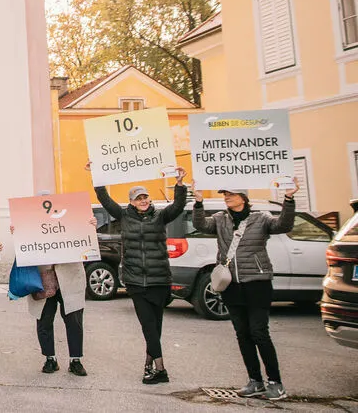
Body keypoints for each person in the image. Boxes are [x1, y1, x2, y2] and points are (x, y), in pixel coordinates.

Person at [194, 180, 298, 401]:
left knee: (259, 332)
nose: (227, 197)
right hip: (231, 285)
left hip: (257, 283)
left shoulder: (260, 219)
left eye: (231, 193)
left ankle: (275, 383)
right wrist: (199, 202)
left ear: (243, 196)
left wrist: (288, 199)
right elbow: (201, 225)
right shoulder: (220, 220)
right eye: (225, 194)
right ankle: (255, 381)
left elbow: (283, 225)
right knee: (242, 333)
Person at [93, 166, 188, 383]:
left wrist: (180, 184)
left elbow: (178, 206)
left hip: (159, 280)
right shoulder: (124, 216)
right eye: (138, 198)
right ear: (132, 202)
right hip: (136, 281)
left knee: (155, 327)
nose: (143, 201)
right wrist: (96, 177)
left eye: (145, 197)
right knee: (148, 326)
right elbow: (105, 200)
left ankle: (148, 366)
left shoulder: (160, 216)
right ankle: (161, 369)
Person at [12, 211, 94, 376]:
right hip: (43, 277)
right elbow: (24, 248)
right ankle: (50, 358)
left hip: (69, 275)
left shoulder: (70, 220)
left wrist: (89, 227)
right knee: (44, 319)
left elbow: (85, 243)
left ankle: (75, 360)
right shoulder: (31, 225)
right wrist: (17, 234)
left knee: (74, 320)